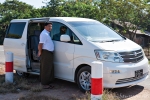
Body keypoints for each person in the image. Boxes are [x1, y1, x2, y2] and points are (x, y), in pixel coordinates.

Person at [38, 22, 54, 89]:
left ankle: (48, 83)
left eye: (51, 26)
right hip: (46, 53)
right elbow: (40, 44)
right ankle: (44, 84)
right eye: (49, 26)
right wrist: (40, 52)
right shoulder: (44, 34)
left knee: (49, 68)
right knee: (45, 68)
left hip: (49, 53)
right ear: (45, 27)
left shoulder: (47, 33)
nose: (50, 27)